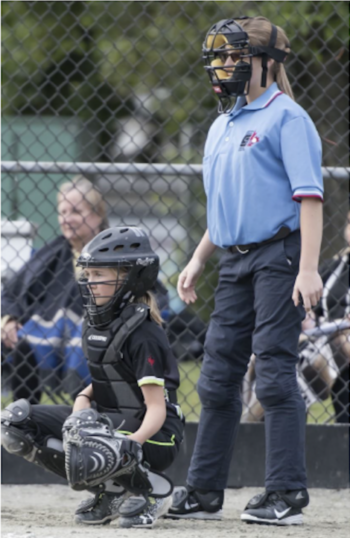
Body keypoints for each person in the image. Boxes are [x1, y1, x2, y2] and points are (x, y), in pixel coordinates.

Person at [166, 16, 324, 525]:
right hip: (233, 261)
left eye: (236, 56)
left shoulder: (288, 118)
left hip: (280, 257)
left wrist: (308, 269)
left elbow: (309, 199)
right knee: (216, 378)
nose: (225, 65)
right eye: (221, 56)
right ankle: (205, 490)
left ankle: (286, 494)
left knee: (274, 374)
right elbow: (227, 209)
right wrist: (197, 258)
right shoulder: (222, 124)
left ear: (267, 64)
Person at [1, 226, 184, 529]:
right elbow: (108, 378)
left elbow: (156, 409)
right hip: (112, 423)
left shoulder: (145, 335)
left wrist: (132, 446)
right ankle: (111, 489)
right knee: (15, 423)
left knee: (85, 432)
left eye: (100, 275)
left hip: (157, 436)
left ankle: (149, 490)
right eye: (88, 274)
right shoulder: (98, 323)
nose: (90, 282)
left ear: (131, 277)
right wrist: (83, 401)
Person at [1, 177, 108, 402]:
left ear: (97, 215)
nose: (67, 219)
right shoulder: (51, 253)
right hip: (48, 335)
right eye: (63, 212)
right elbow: (11, 293)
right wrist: (8, 320)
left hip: (100, 333)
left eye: (76, 211)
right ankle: (24, 421)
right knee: (23, 343)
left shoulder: (115, 251)